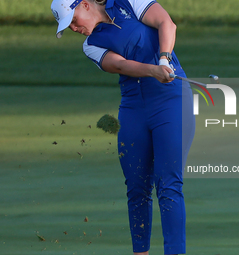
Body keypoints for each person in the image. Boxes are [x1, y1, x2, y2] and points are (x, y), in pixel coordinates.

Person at [50, 0, 195, 254]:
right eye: (68, 26)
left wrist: (164, 58)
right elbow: (120, 65)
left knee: (168, 184)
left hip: (170, 99)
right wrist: (153, 69)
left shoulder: (127, 1)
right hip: (133, 107)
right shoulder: (91, 45)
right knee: (137, 187)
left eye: (73, 20)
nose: (74, 28)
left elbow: (166, 23)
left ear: (84, 4)